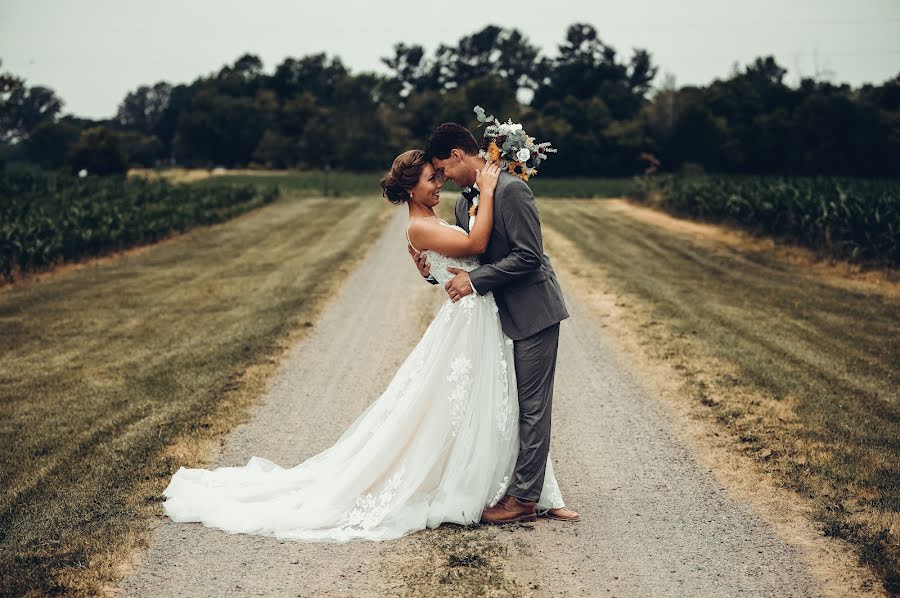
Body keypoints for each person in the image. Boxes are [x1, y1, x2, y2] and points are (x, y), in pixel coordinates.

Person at [160, 149, 570, 543]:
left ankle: (511, 485)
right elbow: (477, 247)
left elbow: (467, 262)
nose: (439, 183)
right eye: (432, 178)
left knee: (497, 403)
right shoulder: (421, 225)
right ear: (411, 188)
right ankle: (486, 485)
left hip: (485, 318)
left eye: (439, 175)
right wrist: (488, 191)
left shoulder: (440, 217)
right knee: (462, 403)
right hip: (470, 321)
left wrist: (435, 268)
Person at [414, 123, 578, 524]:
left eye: (443, 169)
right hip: (494, 318)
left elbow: (528, 257)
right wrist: (435, 272)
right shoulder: (461, 206)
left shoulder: (511, 190)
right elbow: (471, 257)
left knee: (532, 407)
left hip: (533, 310)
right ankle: (531, 490)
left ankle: (524, 499)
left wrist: (473, 281)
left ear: (457, 154)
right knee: (507, 405)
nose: (444, 178)